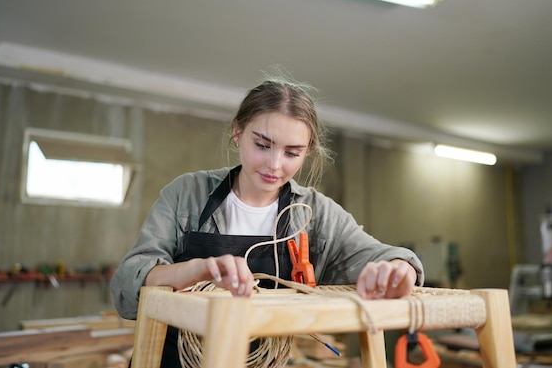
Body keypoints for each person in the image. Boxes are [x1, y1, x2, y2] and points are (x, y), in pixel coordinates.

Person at [111, 75, 424, 367]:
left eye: (292, 153)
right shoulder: (187, 194)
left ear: (307, 152)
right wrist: (196, 271)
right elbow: (127, 284)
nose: (274, 165)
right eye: (262, 145)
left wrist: (399, 268)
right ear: (237, 131)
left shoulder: (314, 213)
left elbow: (379, 255)